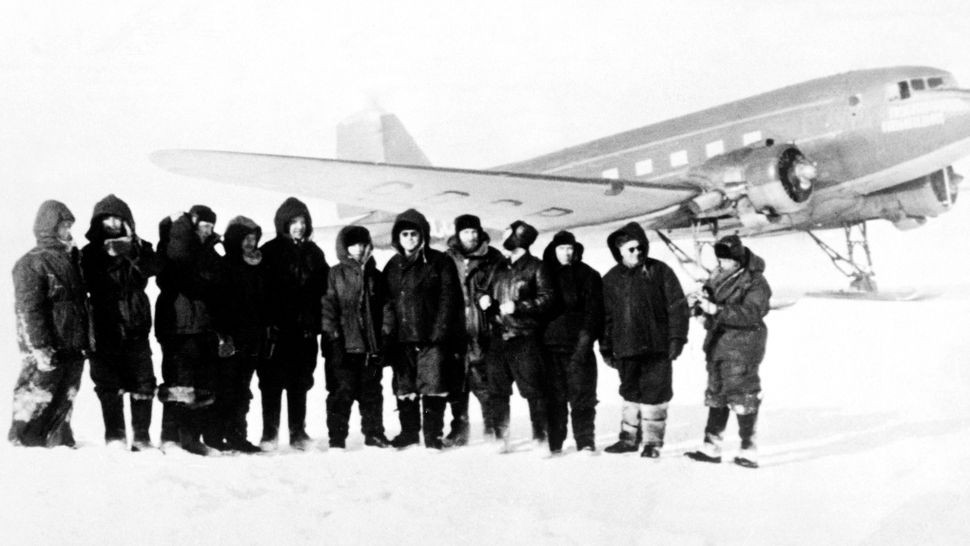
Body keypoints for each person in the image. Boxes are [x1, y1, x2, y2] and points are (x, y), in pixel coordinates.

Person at [600, 222, 689, 458]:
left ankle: (652, 443)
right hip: (626, 348)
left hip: (656, 347)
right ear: (619, 251)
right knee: (629, 393)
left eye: (640, 248)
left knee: (655, 394)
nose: (637, 253)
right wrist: (606, 347)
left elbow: (678, 306)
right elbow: (605, 318)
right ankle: (628, 439)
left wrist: (677, 338)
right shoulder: (610, 280)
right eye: (631, 249)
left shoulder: (660, 271)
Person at [81, 194, 160, 451]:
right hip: (104, 328)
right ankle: (114, 436)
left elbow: (154, 266)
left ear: (127, 220)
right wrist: (106, 255)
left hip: (136, 328)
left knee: (143, 383)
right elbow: (85, 281)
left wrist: (131, 251)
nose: (112, 223)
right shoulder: (89, 252)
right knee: (108, 385)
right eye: (106, 218)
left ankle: (141, 437)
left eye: (117, 218)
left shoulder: (140, 246)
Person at [686, 234, 771, 469]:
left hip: (741, 346)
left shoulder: (755, 282)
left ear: (736, 260)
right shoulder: (719, 274)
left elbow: (751, 313)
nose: (720, 263)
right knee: (717, 394)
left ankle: (748, 450)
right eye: (719, 259)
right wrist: (700, 304)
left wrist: (715, 309)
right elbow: (712, 294)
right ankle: (711, 447)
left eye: (724, 260)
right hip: (718, 344)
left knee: (743, 396)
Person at [9, 200, 89, 447]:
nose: (67, 231)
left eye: (68, 226)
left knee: (67, 392)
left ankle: (58, 436)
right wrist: (40, 346)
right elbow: (29, 309)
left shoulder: (72, 258)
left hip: (72, 340)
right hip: (47, 341)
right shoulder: (31, 262)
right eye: (62, 226)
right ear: (48, 227)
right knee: (38, 392)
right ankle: (24, 439)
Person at [382, 209, 463, 449]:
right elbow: (387, 303)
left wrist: (440, 331)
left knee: (434, 386)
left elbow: (449, 299)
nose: (409, 238)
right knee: (405, 387)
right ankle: (409, 433)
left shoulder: (439, 262)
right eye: (404, 234)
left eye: (414, 234)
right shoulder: (393, 266)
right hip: (402, 340)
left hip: (432, 338)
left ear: (422, 235)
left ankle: (432, 435)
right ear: (398, 237)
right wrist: (389, 333)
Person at [259, 197, 329, 451]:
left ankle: (298, 432)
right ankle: (270, 433)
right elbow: (261, 292)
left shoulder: (314, 253)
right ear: (283, 224)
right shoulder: (269, 251)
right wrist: (268, 323)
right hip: (276, 331)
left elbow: (323, 290)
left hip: (304, 331)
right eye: (293, 222)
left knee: (300, 381)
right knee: (271, 382)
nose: (298, 226)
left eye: (302, 222)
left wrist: (316, 323)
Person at [155, 205, 224, 456]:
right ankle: (170, 437)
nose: (208, 231)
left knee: (201, 384)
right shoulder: (175, 249)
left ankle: (191, 438)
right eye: (203, 226)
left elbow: (216, 284)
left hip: (202, 327)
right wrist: (183, 225)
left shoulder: (209, 253)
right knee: (178, 383)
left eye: (210, 227)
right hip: (178, 327)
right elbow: (180, 266)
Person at [481, 220, 554, 452]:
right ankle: (501, 436)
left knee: (534, 390)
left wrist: (520, 306)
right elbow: (485, 289)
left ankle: (540, 438)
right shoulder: (499, 266)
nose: (503, 236)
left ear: (519, 238)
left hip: (525, 338)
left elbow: (548, 298)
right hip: (498, 336)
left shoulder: (537, 267)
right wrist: (483, 300)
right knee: (497, 391)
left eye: (507, 233)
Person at [321, 225, 391, 449]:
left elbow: (387, 307)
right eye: (354, 245)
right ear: (345, 247)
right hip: (344, 346)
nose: (359, 249)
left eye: (362, 244)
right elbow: (328, 306)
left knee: (372, 393)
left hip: (371, 346)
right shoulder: (335, 273)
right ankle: (337, 439)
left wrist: (386, 333)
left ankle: (374, 434)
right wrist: (333, 338)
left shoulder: (376, 276)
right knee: (341, 393)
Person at [442, 214, 504, 446]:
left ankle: (493, 426)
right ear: (458, 234)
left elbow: (503, 285)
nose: (472, 236)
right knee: (456, 383)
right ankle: (460, 428)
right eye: (466, 232)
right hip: (455, 330)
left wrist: (491, 299)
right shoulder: (447, 258)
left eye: (474, 231)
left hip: (483, 328)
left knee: (484, 382)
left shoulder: (493, 257)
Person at [541, 231, 603, 454]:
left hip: (579, 346)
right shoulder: (544, 273)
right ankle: (555, 441)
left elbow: (594, 313)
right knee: (554, 398)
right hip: (549, 347)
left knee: (583, 397)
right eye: (561, 248)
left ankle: (585, 440)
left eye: (570, 248)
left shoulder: (588, 275)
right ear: (553, 250)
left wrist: (585, 343)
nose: (566, 253)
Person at [208, 216, 266, 453]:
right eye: (245, 238)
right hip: (229, 337)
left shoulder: (259, 265)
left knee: (243, 389)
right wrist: (222, 335)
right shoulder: (225, 265)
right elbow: (216, 305)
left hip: (251, 336)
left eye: (253, 238)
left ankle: (237, 434)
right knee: (225, 388)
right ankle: (215, 435)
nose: (250, 243)